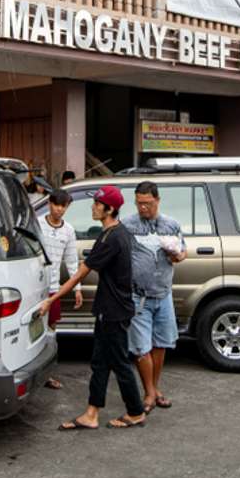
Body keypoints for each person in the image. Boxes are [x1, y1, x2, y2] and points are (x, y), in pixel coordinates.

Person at [40, 186, 145, 430]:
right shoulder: (113, 232)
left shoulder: (113, 238)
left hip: (114, 311)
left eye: (97, 204)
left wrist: (51, 300)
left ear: (109, 209)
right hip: (108, 308)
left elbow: (80, 274)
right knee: (100, 362)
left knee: (118, 362)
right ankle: (91, 413)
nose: (93, 207)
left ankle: (136, 411)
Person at [121, 181, 186, 412]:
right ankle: (149, 393)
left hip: (163, 293)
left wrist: (177, 255)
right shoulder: (127, 225)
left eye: (147, 203)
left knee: (161, 344)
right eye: (139, 203)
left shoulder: (171, 224)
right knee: (141, 348)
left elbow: (183, 252)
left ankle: (154, 388)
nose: (143, 208)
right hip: (138, 295)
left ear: (157, 200)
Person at [37, 189, 83, 390]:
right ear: (49, 204)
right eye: (56, 205)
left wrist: (77, 288)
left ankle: (48, 374)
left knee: (51, 331)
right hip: (34, 286)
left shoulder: (69, 230)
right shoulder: (37, 224)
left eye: (63, 206)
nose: (59, 210)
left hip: (54, 288)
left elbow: (72, 261)